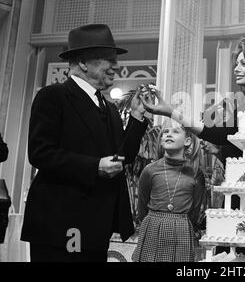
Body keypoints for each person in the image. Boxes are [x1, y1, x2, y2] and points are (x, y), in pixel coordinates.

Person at [21, 24, 149, 262]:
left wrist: (136, 119)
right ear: (82, 62)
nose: (116, 66)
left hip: (95, 228)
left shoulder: (109, 108)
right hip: (61, 225)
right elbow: (40, 153)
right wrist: (94, 166)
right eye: (108, 59)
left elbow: (121, 158)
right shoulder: (53, 96)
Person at [142, 37, 245, 213]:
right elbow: (244, 150)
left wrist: (170, 111)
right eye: (237, 63)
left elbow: (219, 134)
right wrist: (220, 152)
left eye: (244, 63)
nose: (236, 68)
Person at [132, 120, 205, 262]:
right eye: (165, 132)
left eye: (175, 131)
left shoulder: (195, 173)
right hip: (152, 227)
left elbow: (195, 210)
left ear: (187, 141)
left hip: (182, 228)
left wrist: (180, 223)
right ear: (160, 141)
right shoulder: (150, 170)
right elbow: (142, 207)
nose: (168, 134)